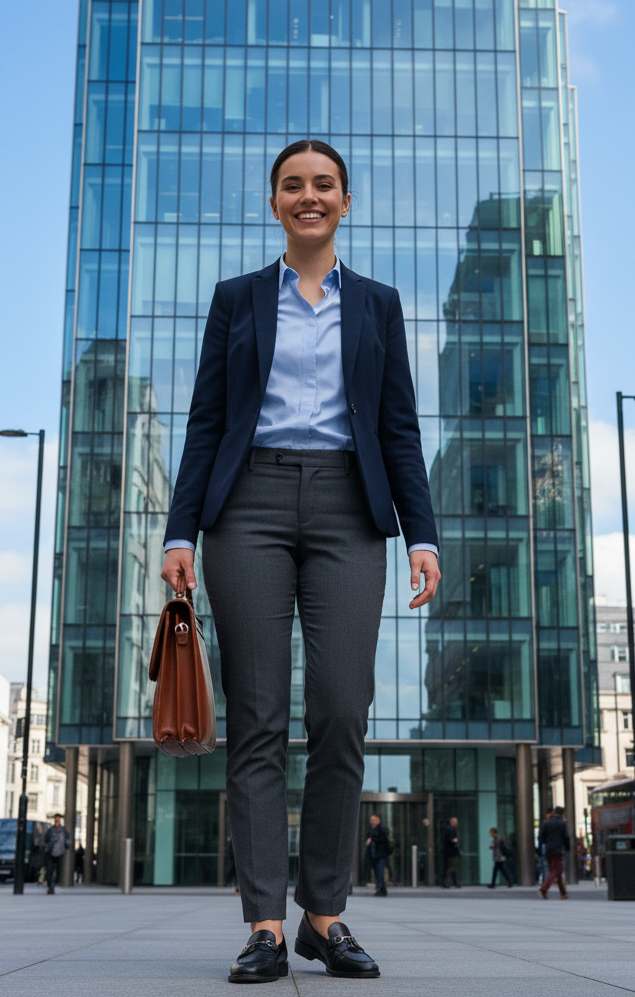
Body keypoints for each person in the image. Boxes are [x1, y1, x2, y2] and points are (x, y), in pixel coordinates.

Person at [161, 139, 440, 984]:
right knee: (255, 720)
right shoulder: (238, 299)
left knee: (341, 711)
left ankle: (325, 916)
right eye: (293, 185)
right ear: (274, 202)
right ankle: (264, 927)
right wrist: (180, 533)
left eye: (324, 185)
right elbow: (206, 421)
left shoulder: (379, 305)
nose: (309, 196)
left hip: (351, 512)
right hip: (245, 505)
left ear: (345, 202)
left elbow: (397, 427)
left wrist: (421, 534)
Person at [538, 805, 570, 899]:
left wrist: (540, 848)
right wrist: (567, 847)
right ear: (562, 814)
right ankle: (543, 889)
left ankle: (563, 893)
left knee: (558, 871)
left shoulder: (546, 823)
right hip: (558, 849)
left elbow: (541, 837)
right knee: (554, 871)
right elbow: (566, 837)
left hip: (548, 849)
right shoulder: (562, 823)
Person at [43, 814, 70, 895]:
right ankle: (50, 885)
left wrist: (67, 845)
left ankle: (54, 883)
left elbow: (68, 840)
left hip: (60, 853)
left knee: (59, 871)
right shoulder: (50, 831)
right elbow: (44, 841)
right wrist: (46, 847)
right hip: (50, 853)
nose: (57, 822)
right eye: (56, 821)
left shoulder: (63, 831)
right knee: (50, 870)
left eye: (58, 820)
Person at [364, 814, 390, 896]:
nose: (372, 821)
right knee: (377, 872)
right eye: (371, 820)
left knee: (380, 872)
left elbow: (384, 839)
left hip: (380, 855)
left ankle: (381, 888)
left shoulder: (382, 828)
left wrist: (372, 839)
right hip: (373, 855)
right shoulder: (371, 830)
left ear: (379, 820)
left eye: (374, 819)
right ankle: (380, 888)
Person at [441, 817, 462, 888]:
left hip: (451, 851)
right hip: (451, 852)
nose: (456, 824)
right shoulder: (450, 830)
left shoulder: (451, 829)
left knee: (453, 867)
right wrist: (455, 840)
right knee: (452, 867)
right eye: (455, 822)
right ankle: (446, 881)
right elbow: (450, 840)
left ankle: (454, 882)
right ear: (452, 822)